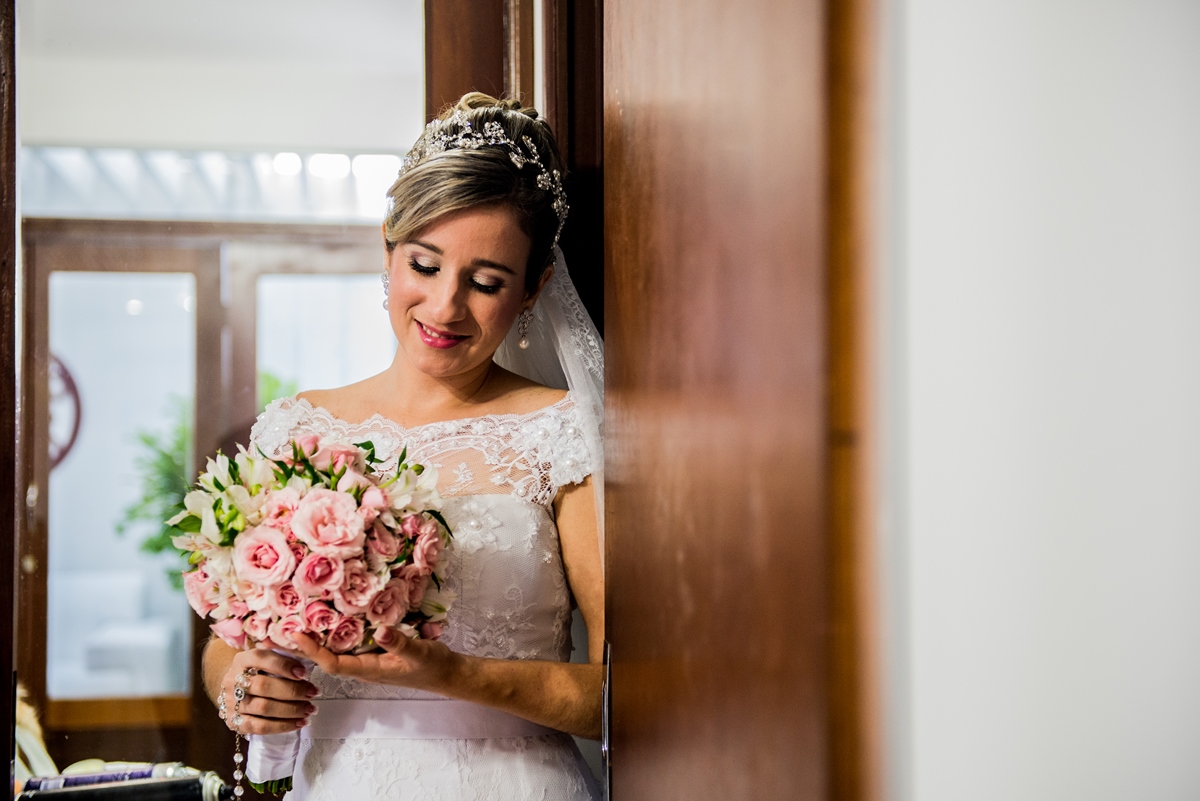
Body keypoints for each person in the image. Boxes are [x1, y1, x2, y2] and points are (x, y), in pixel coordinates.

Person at [201, 93, 604, 801]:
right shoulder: (297, 429)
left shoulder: (563, 433)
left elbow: (619, 697)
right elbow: (231, 643)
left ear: (534, 288)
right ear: (387, 248)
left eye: (486, 282)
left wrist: (452, 674)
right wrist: (242, 688)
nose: (446, 306)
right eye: (424, 265)